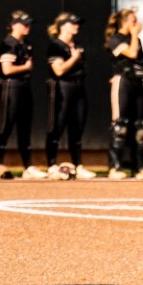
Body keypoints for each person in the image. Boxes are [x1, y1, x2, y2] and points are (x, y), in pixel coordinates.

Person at [106, 8, 143, 178]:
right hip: (123, 82)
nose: (137, 24)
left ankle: (141, 167)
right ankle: (115, 167)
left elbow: (139, 60)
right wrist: (133, 34)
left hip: (137, 83)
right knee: (120, 125)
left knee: (140, 126)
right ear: (125, 22)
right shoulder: (116, 38)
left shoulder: (136, 39)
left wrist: (135, 36)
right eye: (133, 21)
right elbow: (131, 53)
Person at [0, 11, 38, 176]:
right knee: (6, 125)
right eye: (24, 24)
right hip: (11, 87)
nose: (28, 27)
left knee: (25, 127)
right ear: (14, 25)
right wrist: (25, 67)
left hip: (24, 86)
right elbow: (7, 69)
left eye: (29, 24)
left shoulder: (26, 43)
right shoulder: (9, 43)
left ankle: (28, 167)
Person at [44, 12, 88, 178]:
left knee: (77, 127)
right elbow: (59, 70)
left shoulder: (78, 45)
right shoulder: (55, 45)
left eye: (77, 23)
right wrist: (74, 58)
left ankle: (78, 164)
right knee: (57, 125)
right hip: (62, 87)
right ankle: (51, 164)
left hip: (79, 87)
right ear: (62, 25)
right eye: (73, 23)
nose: (76, 26)